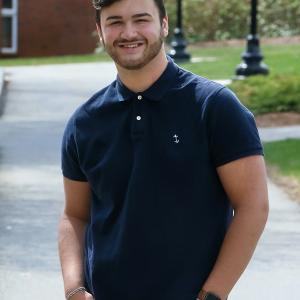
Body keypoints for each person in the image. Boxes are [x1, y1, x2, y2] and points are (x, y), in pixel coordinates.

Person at [58, 0, 269, 299]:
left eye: (141, 19)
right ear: (100, 31)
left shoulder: (214, 106)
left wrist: (213, 294)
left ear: (164, 24)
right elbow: (75, 215)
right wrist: (74, 289)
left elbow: (253, 205)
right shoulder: (84, 122)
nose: (128, 32)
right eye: (115, 22)